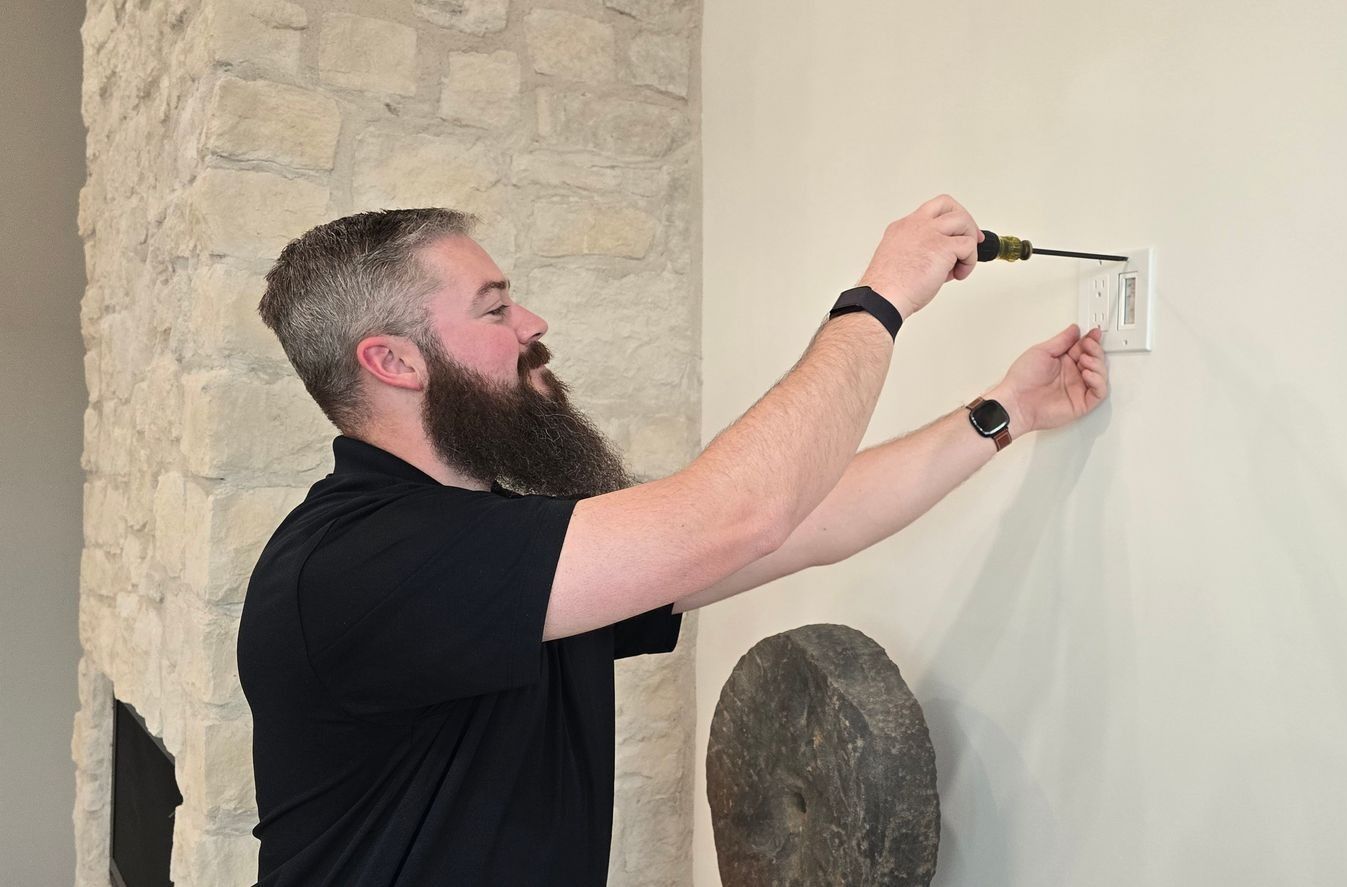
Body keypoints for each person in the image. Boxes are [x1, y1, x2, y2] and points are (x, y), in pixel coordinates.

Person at [235, 194, 1110, 885]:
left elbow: (798, 523)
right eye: (495, 307)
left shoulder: (490, 539)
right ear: (394, 361)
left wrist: (1006, 412)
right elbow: (740, 514)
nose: (533, 322)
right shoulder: (363, 565)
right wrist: (879, 298)